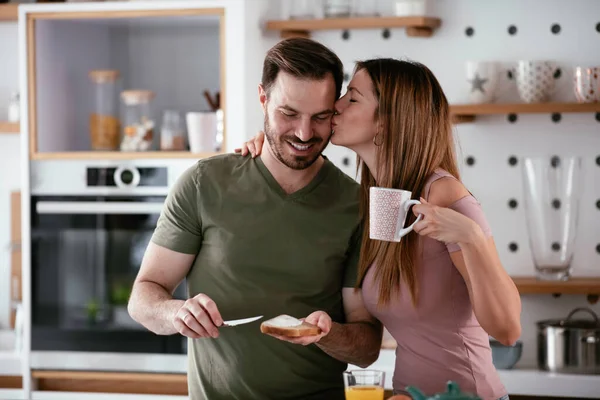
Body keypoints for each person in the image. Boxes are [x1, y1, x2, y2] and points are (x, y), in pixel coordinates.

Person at [236, 58, 522, 400]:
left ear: (386, 123)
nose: (335, 106)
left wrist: (472, 237)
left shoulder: (443, 195)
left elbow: (506, 330)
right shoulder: (384, 201)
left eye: (352, 98)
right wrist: (269, 145)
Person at [127, 38, 383, 400]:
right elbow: (143, 296)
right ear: (263, 99)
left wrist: (328, 335)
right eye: (289, 113)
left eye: (320, 116)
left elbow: (367, 345)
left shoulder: (355, 205)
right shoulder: (204, 184)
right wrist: (177, 314)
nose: (304, 133)